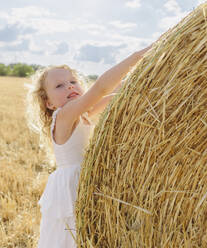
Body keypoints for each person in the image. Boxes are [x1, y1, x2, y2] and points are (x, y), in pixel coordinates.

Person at [26, 44, 152, 248]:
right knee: (71, 237)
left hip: (85, 180)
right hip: (71, 186)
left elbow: (117, 93)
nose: (69, 86)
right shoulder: (64, 115)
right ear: (49, 104)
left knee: (88, 235)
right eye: (59, 86)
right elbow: (101, 88)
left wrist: (149, 69)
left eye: (73, 81)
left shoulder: (82, 115)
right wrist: (136, 56)